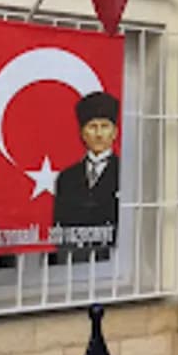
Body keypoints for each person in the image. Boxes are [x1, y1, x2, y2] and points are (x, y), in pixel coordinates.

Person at [54, 91, 120, 251]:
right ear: (82, 133)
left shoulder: (124, 173)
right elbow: (59, 228)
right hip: (73, 259)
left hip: (113, 257)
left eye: (104, 126)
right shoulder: (67, 178)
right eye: (92, 127)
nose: (98, 134)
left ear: (114, 133)